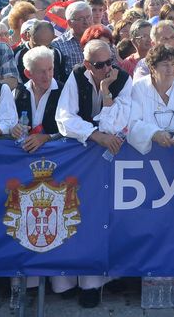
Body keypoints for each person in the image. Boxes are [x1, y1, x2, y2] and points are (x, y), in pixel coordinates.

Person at [52, 38, 131, 307]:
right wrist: (94, 134)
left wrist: (106, 90)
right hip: (81, 159)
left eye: (110, 62)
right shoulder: (76, 76)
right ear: (87, 64)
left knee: (106, 217)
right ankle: (67, 279)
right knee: (77, 214)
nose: (107, 68)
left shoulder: (123, 79)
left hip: (113, 161)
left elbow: (119, 121)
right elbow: (64, 118)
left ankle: (95, 283)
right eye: (99, 65)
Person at [12, 46, 61, 152]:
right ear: (28, 73)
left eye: (50, 69)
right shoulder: (17, 93)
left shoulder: (64, 92)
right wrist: (12, 128)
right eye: (41, 71)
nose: (47, 76)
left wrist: (47, 137)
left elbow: (72, 127)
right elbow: (6, 122)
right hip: (23, 158)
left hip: (57, 158)